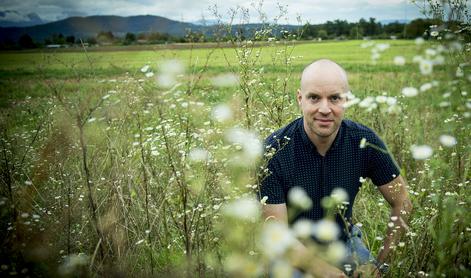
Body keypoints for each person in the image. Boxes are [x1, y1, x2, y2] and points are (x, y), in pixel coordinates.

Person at [258, 59, 413, 277]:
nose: (324, 109)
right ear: (300, 99)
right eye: (314, 97)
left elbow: (402, 200)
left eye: (334, 98)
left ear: (346, 101)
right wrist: (326, 272)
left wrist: (380, 265)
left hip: (343, 242)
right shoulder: (273, 152)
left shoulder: (364, 141)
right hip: (291, 253)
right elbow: (277, 234)